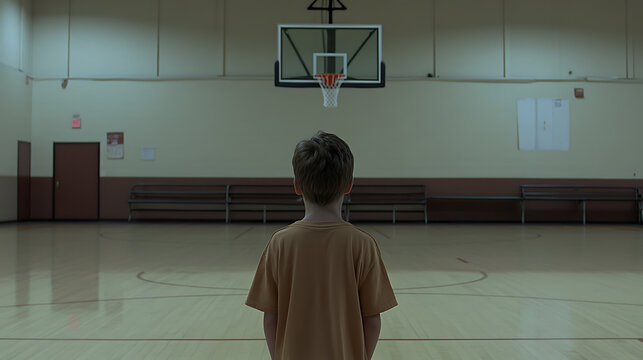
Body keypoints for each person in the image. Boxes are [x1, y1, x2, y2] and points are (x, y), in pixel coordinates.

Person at [246, 131, 397, 360]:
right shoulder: (363, 245)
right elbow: (372, 319)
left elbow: (270, 317)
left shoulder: (280, 243)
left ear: (296, 185)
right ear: (349, 185)